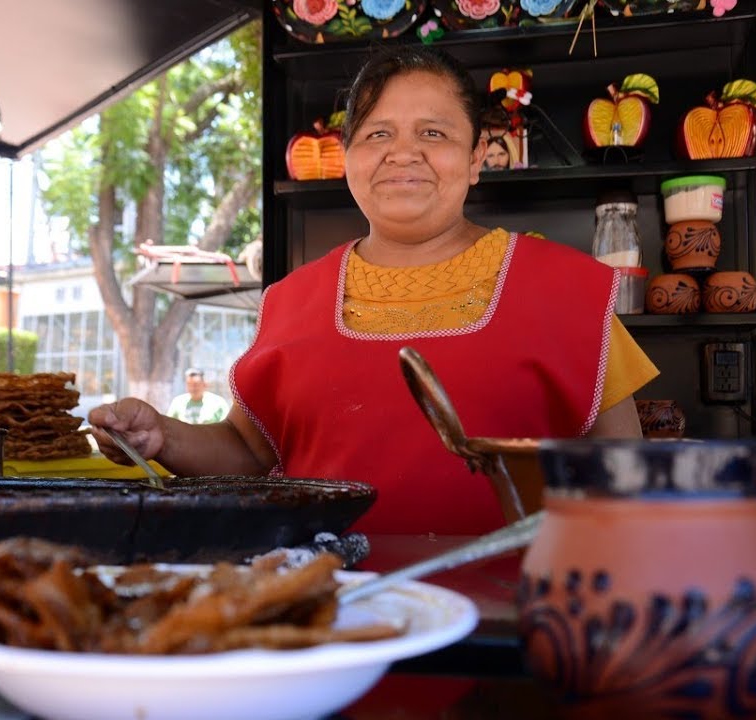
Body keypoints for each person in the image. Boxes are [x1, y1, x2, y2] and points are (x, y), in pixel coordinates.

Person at [90, 46, 658, 536]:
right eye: (377, 133)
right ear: (349, 157)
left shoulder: (566, 289)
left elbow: (627, 477)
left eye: (433, 133)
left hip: (514, 624)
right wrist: (163, 435)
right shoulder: (291, 301)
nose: (402, 152)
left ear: (477, 157)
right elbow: (248, 451)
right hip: (329, 618)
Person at [164, 368, 230, 424]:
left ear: (204, 384)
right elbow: (169, 424)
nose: (193, 388)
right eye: (189, 384)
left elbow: (226, 425)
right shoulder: (178, 402)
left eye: (196, 384)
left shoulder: (218, 403)